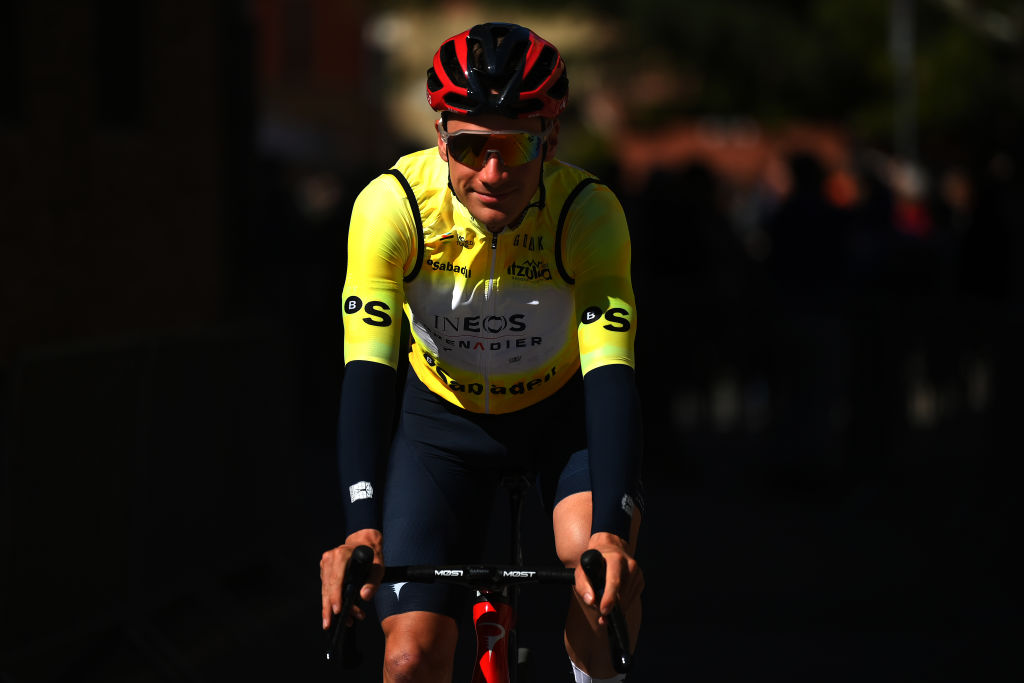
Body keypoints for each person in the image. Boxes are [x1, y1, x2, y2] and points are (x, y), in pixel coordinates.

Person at [320, 22, 644, 682]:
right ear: (440, 137)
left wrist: (612, 529)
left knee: (596, 575)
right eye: (470, 146)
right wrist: (359, 525)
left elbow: (611, 371)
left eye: (518, 144)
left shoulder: (587, 212)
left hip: (560, 420)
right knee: (409, 658)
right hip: (442, 426)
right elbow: (367, 369)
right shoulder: (395, 205)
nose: (493, 172)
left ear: (550, 139)